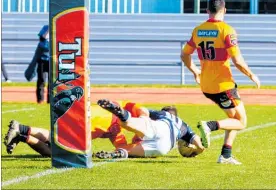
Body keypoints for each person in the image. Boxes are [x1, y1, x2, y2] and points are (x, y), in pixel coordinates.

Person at [181, 0, 261, 165]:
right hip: (223, 85)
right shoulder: (227, 30)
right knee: (241, 121)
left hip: (207, 86)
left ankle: (225, 155)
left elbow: (185, 54)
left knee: (232, 118)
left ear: (207, 11)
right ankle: (209, 126)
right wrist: (251, 75)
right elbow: (237, 61)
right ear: (224, 10)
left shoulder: (198, 30)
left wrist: (195, 71)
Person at [4, 100, 204, 159]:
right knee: (59, 147)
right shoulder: (120, 126)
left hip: (93, 113)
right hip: (97, 122)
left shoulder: (152, 117)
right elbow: (137, 114)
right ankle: (22, 131)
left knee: (56, 144)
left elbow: (136, 110)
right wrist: (134, 142)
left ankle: (22, 133)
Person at [95, 99, 204, 159]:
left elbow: (143, 109)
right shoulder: (184, 125)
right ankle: (117, 154)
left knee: (125, 123)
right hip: (165, 147)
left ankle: (123, 114)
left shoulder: (163, 114)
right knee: (127, 150)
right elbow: (199, 144)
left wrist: (143, 117)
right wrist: (195, 151)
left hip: (161, 127)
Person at [36, 25, 50, 104]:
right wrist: (49, 30)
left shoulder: (58, 28)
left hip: (51, 60)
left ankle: (50, 100)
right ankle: (40, 100)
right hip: (42, 59)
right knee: (41, 80)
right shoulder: (46, 27)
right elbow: (42, 38)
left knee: (51, 81)